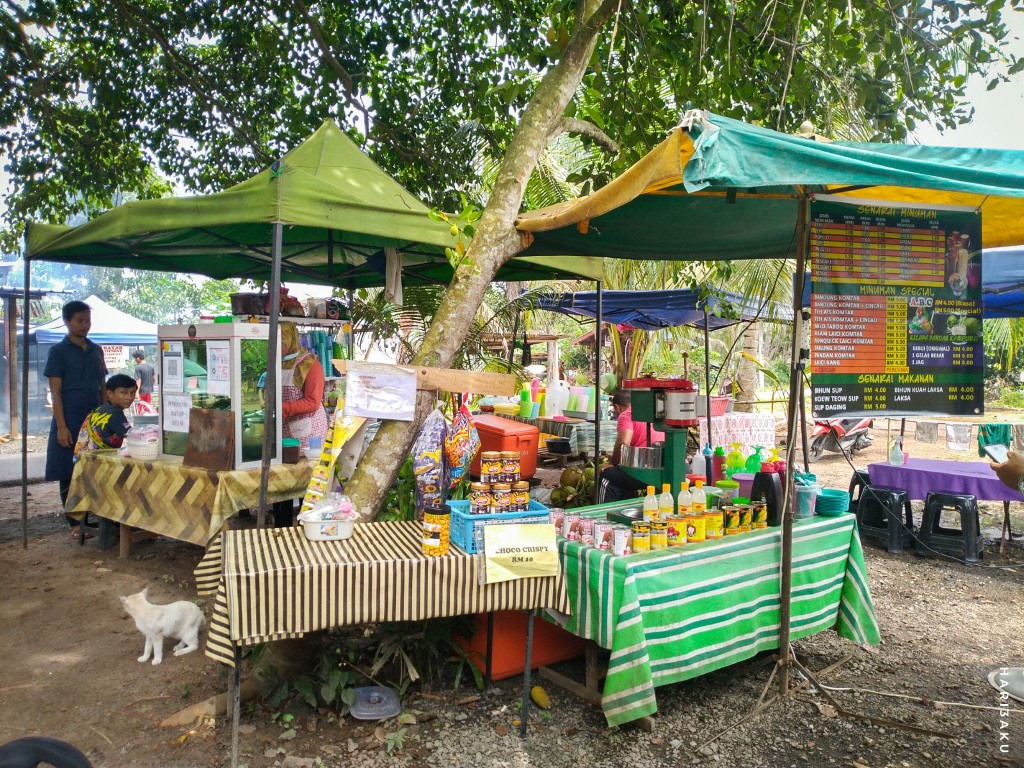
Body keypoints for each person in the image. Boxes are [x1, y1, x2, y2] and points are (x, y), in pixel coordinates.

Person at [44, 300, 107, 539]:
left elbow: (102, 386)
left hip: (94, 416)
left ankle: (95, 517)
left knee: (94, 468)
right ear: (67, 321)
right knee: (67, 469)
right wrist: (61, 426)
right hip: (68, 415)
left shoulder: (96, 350)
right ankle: (73, 523)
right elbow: (55, 392)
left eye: (87, 320)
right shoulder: (58, 352)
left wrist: (104, 416)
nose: (85, 325)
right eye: (80, 320)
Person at [272, 322, 329, 526]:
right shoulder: (276, 363)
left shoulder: (309, 364)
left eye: (280, 341)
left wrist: (283, 408)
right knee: (283, 480)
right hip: (286, 429)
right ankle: (283, 525)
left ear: (291, 340)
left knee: (307, 481)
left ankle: (310, 524)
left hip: (309, 431)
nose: (276, 345)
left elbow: (313, 402)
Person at [599, 389, 665, 502]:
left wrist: (612, 463)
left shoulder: (626, 415)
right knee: (622, 474)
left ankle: (602, 514)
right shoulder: (651, 413)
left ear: (617, 407)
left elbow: (623, 442)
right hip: (663, 468)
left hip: (646, 471)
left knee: (607, 475)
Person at [73, 374, 136, 457]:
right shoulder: (114, 413)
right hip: (96, 463)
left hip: (81, 460)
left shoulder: (98, 410)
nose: (129, 397)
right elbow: (134, 435)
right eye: (123, 392)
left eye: (132, 393)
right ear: (109, 393)